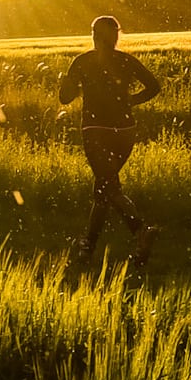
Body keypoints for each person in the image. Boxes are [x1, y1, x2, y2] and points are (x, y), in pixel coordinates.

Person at [57, 15, 161, 274]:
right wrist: (131, 102)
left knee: (108, 187)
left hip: (96, 130)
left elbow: (65, 99)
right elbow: (154, 87)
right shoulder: (126, 61)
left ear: (94, 34)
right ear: (116, 36)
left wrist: (65, 84)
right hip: (125, 131)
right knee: (104, 188)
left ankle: (141, 230)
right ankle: (87, 248)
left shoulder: (82, 62)